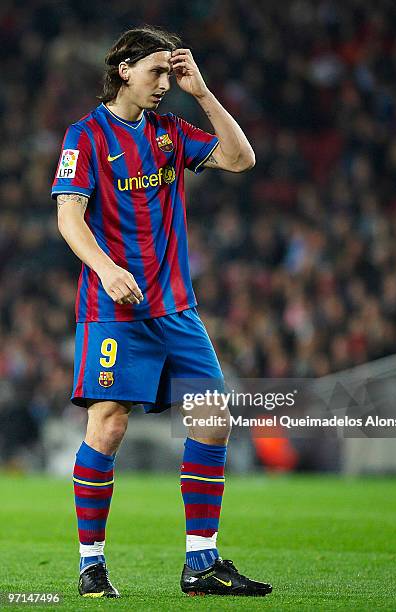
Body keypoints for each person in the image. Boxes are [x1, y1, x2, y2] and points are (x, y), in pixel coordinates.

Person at [51, 25, 272, 598]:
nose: (163, 86)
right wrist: (106, 267)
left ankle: (202, 562)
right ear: (123, 68)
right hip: (114, 308)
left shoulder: (171, 132)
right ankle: (90, 564)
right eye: (156, 73)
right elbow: (69, 218)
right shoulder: (86, 136)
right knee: (110, 424)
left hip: (176, 308)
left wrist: (200, 91)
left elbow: (241, 158)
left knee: (211, 416)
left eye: (170, 75)